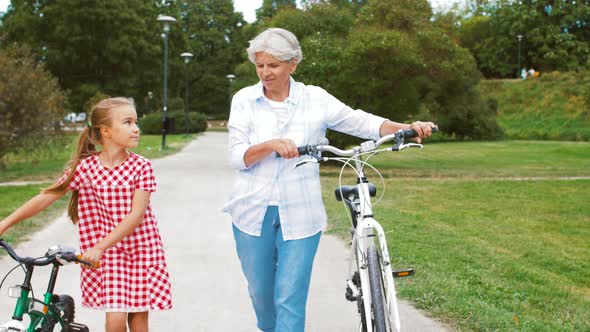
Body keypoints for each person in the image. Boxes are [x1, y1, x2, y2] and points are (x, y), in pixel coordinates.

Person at [223, 27, 435, 332]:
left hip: (301, 213)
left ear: (293, 63)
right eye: (259, 65)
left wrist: (407, 127)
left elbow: (359, 121)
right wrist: (269, 145)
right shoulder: (244, 100)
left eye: (273, 65)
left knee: (289, 299)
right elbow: (236, 157)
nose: (264, 73)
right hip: (251, 212)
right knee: (262, 297)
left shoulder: (315, 98)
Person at [0, 97, 172, 332]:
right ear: (106, 131)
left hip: (141, 251)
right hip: (108, 255)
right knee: (115, 320)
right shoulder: (85, 168)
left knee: (139, 319)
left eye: (136, 121)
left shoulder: (141, 167)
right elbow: (46, 197)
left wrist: (99, 246)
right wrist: (5, 223)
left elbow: (136, 215)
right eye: (128, 122)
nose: (136, 128)